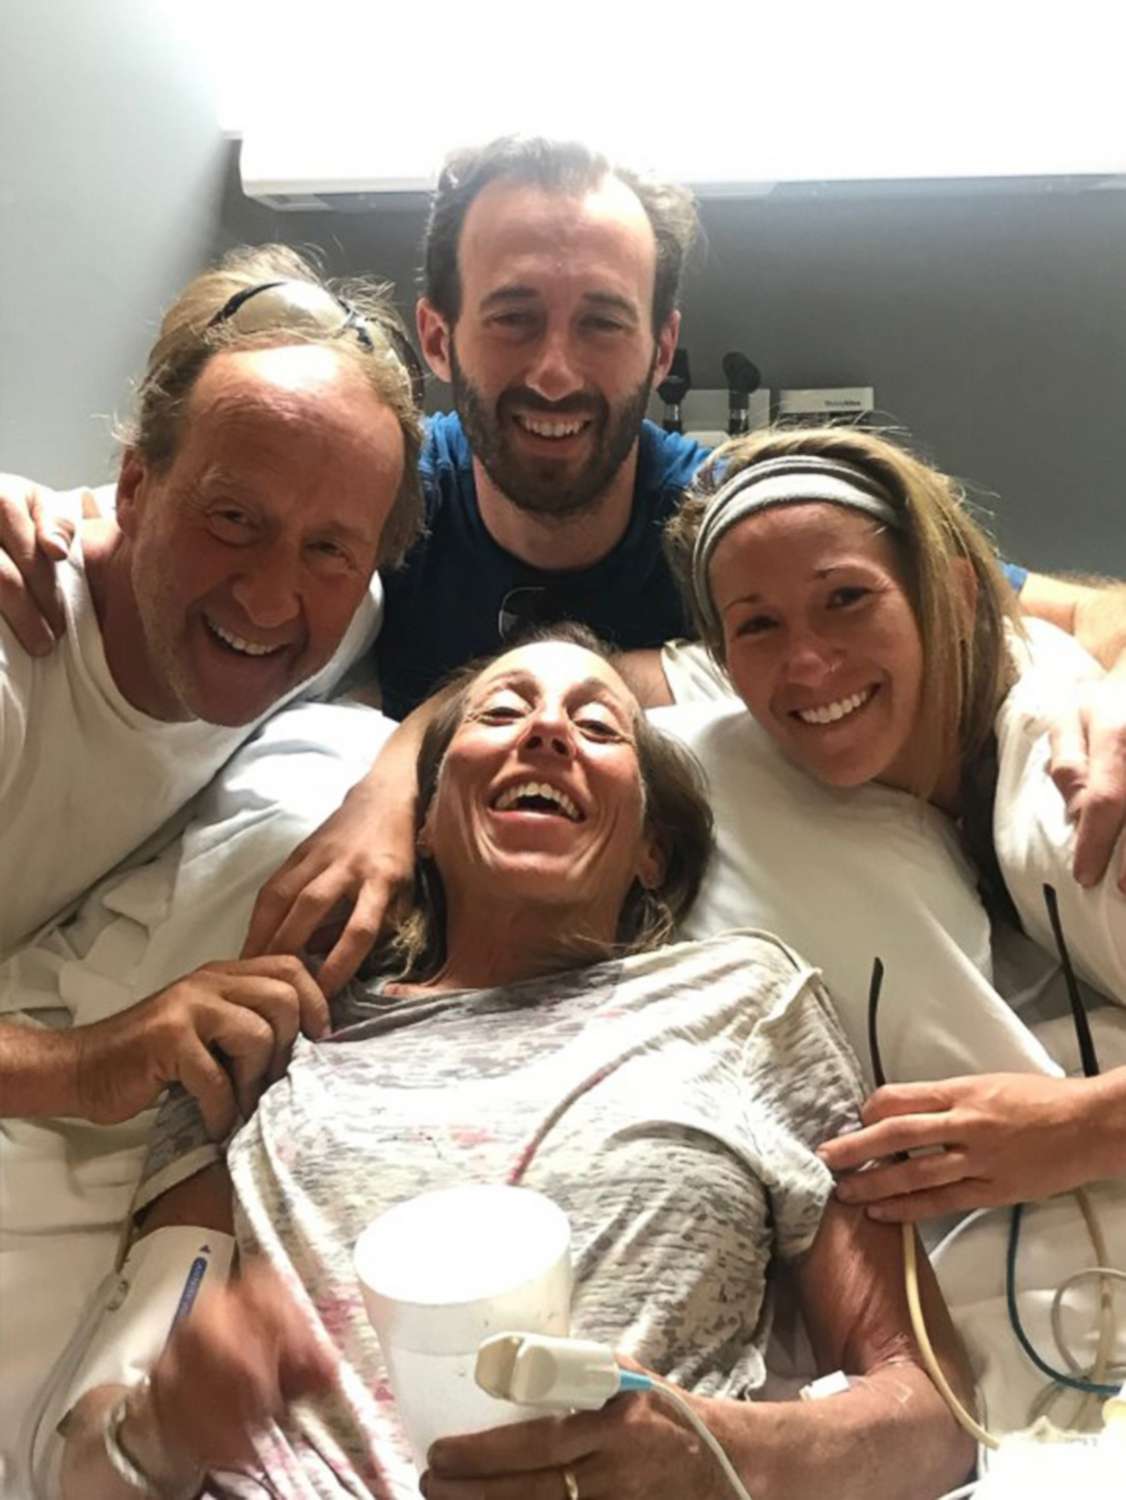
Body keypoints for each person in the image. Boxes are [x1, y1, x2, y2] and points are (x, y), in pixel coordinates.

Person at [3, 137, 1124, 983]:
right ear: (437, 337)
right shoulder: (372, 500)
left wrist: (1114, 700)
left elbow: (1072, 617)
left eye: (600, 321)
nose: (554, 370)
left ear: (661, 345)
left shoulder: (745, 527)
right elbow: (149, 520)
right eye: (512, 317)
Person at [54, 629, 975, 1500]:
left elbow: (934, 1414)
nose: (545, 731)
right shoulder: (264, 1038)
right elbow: (87, 1466)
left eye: (599, 725)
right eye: (501, 714)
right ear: (423, 827)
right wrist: (163, 1426)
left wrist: (715, 1459)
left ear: (653, 848)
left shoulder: (743, 1004)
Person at [0, 243, 423, 1130]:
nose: (271, 598)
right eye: (233, 519)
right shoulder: (19, 652)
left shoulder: (348, 617)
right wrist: (89, 1064)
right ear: (134, 487)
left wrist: (391, 788)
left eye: (328, 548)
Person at [656, 423, 1126, 1218]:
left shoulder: (1082, 772)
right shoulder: (764, 758)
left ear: (952, 594)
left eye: (846, 598)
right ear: (722, 662)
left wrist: (1083, 1127)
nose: (807, 662)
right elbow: (576, 677)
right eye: (759, 625)